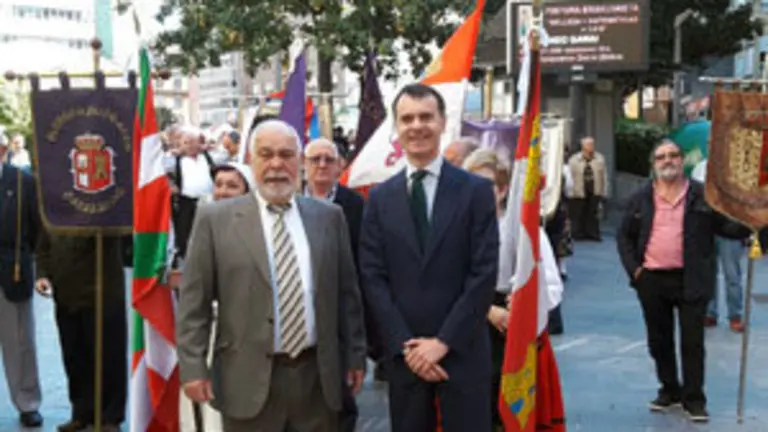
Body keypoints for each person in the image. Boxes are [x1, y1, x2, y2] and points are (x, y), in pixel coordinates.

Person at [177, 119, 367, 432]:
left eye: (286, 154)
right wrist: (193, 367)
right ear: (251, 161)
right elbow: (193, 304)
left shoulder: (329, 218)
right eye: (266, 154)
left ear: (299, 162)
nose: (276, 164)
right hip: (246, 381)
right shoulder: (215, 220)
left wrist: (356, 356)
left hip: (318, 381)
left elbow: (347, 296)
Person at [359, 84, 499, 432]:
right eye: (407, 118)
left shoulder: (477, 192)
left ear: (442, 122)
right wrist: (408, 348)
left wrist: (443, 342)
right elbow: (373, 278)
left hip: (463, 350)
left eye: (426, 117)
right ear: (396, 128)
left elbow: (483, 274)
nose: (416, 125)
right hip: (405, 355)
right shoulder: (379, 198)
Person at [616, 139, 750, 423]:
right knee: (659, 340)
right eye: (662, 156)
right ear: (654, 164)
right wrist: (635, 272)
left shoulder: (702, 196)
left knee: (693, 343)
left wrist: (754, 222)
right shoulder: (640, 198)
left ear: (682, 161)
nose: (668, 160)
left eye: (673, 155)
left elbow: (727, 226)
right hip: (651, 279)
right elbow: (624, 236)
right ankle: (669, 390)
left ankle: (694, 400)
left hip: (691, 279)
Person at [303, 137, 367, 431]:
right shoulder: (287, 201)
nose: (322, 165)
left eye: (329, 159)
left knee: (339, 401)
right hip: (299, 315)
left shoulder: (356, 205)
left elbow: (362, 263)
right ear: (304, 165)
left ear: (341, 165)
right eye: (314, 159)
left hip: (339, 316)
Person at [35, 233, 127, 432]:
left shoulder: (106, 204)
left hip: (104, 291)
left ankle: (110, 417)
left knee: (109, 356)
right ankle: (82, 412)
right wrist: (42, 273)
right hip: (66, 290)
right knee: (74, 356)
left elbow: (122, 231)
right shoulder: (54, 207)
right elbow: (44, 243)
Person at [0, 134, 43, 428]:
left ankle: (28, 402)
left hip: (11, 270)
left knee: (20, 342)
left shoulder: (22, 181)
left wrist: (38, 269)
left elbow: (37, 228)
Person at [691, 159, 746, 332]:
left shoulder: (736, 170)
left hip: (730, 228)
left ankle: (735, 315)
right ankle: (710, 313)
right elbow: (695, 197)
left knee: (732, 275)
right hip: (706, 229)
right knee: (708, 273)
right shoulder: (700, 168)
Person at [567, 136, 608, 241]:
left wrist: (605, 191)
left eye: (592, 144)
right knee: (579, 213)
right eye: (588, 145)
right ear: (583, 146)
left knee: (593, 213)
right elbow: (570, 175)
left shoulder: (599, 159)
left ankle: (593, 234)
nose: (591, 147)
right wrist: (570, 191)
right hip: (579, 190)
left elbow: (604, 175)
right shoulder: (574, 160)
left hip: (594, 189)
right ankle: (578, 233)